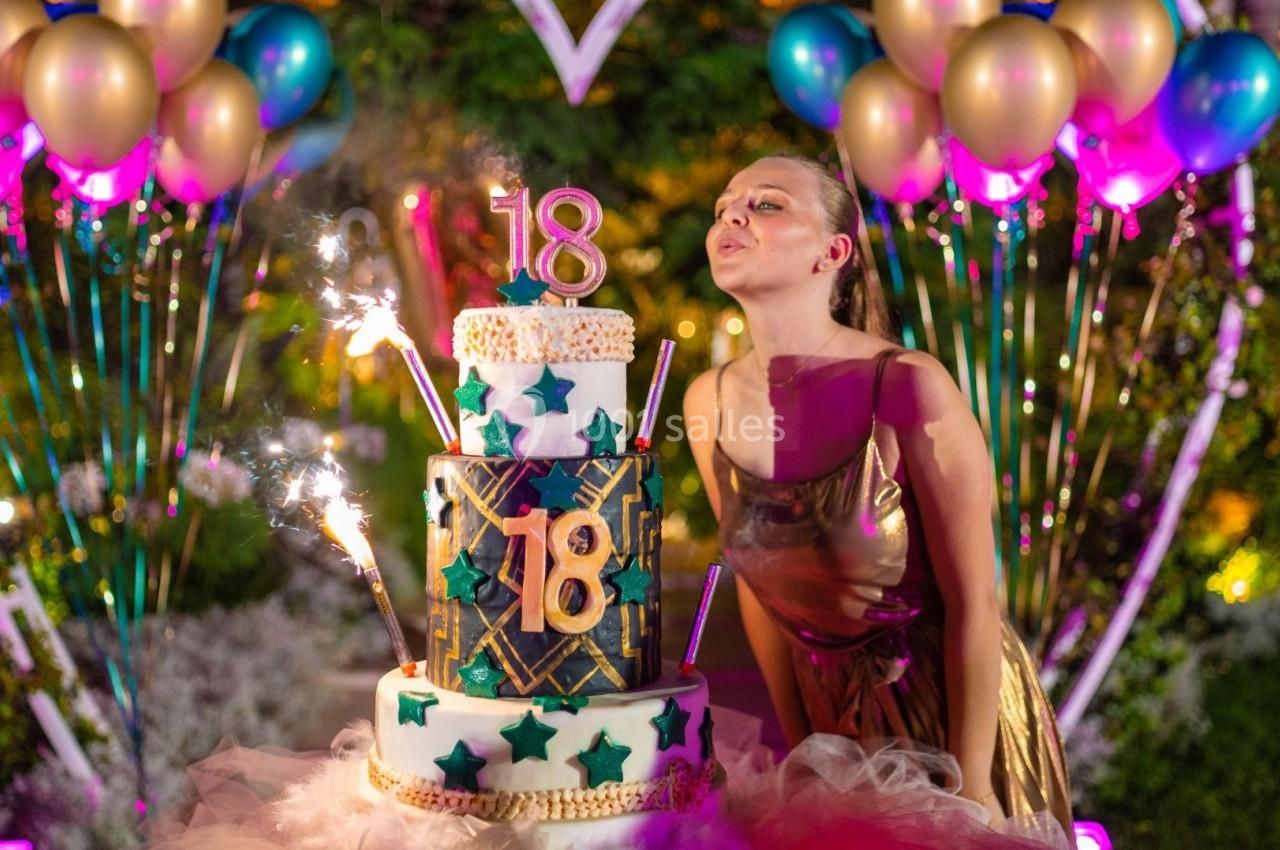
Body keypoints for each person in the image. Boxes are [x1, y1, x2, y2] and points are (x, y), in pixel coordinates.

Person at [684, 154, 1073, 835]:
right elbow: (758, 588)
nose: (733, 215)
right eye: (723, 207)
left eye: (767, 204)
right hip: (828, 719)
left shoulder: (907, 385)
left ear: (833, 252)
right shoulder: (706, 402)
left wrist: (970, 787)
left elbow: (974, 604)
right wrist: (807, 749)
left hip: (948, 712)